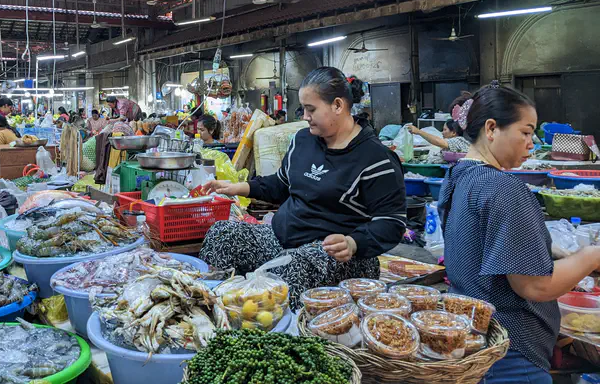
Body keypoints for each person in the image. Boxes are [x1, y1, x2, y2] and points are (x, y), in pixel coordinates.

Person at [199, 67, 406, 308]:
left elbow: (392, 223)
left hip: (337, 256)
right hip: (281, 239)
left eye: (311, 109)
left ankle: (271, 333)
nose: (305, 116)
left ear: (338, 106)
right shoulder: (303, 140)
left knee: (287, 273)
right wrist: (237, 187)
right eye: (304, 109)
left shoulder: (376, 158)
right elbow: (280, 185)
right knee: (222, 235)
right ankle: (214, 312)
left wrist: (353, 242)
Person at [440, 82, 600, 384]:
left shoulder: (457, 176)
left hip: (473, 335)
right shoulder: (505, 189)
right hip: (511, 351)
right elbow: (535, 286)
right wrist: (591, 256)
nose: (532, 142)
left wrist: (557, 254)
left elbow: (481, 243)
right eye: (525, 132)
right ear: (491, 128)